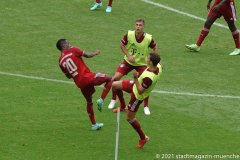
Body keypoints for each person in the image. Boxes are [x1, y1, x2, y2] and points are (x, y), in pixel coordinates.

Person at [96, 18, 158, 115]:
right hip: (128, 61)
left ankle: (146, 106)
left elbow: (155, 47)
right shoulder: (129, 34)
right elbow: (121, 45)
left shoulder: (148, 38)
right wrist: (128, 56)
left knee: (145, 84)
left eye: (140, 25)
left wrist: (154, 60)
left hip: (141, 64)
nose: (138, 27)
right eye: (137, 25)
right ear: (134, 26)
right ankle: (113, 99)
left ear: (143, 27)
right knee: (115, 78)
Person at [56, 39, 112, 131]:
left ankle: (94, 124)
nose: (69, 43)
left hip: (80, 83)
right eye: (67, 43)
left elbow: (68, 76)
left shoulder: (60, 61)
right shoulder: (72, 50)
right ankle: (101, 99)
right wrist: (96, 52)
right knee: (111, 78)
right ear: (63, 46)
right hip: (88, 77)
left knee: (89, 102)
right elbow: (87, 55)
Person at [112, 53, 162, 149]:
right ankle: (122, 106)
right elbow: (162, 65)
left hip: (137, 96)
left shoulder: (149, 78)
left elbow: (140, 90)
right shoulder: (158, 66)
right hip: (134, 85)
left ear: (151, 62)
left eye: (148, 58)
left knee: (129, 118)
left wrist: (135, 77)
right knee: (114, 85)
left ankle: (143, 138)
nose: (146, 59)